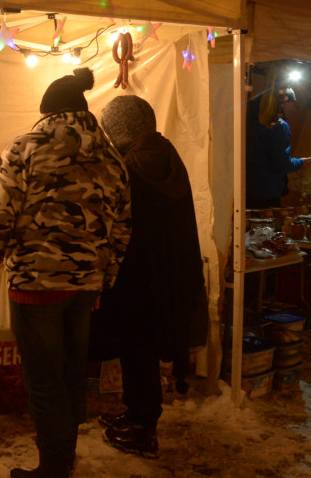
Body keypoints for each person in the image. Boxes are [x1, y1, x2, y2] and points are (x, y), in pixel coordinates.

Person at [0, 66, 131, 478]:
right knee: (71, 369)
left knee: (44, 376)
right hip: (86, 285)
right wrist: (106, 274)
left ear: (47, 113)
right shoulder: (111, 154)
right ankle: (66, 452)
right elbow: (123, 223)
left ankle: (53, 465)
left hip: (36, 282)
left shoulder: (27, 146)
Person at [96, 95, 208, 458]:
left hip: (139, 275)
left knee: (136, 350)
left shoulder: (132, 166)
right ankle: (138, 415)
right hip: (170, 272)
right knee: (141, 350)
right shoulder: (167, 155)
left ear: (121, 128)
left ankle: (143, 428)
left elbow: (119, 224)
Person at [246, 83, 311, 208]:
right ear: (281, 103)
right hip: (267, 192)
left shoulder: (247, 120)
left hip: (244, 189)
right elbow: (281, 163)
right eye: (292, 103)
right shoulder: (278, 125)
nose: (294, 108)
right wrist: (301, 163)